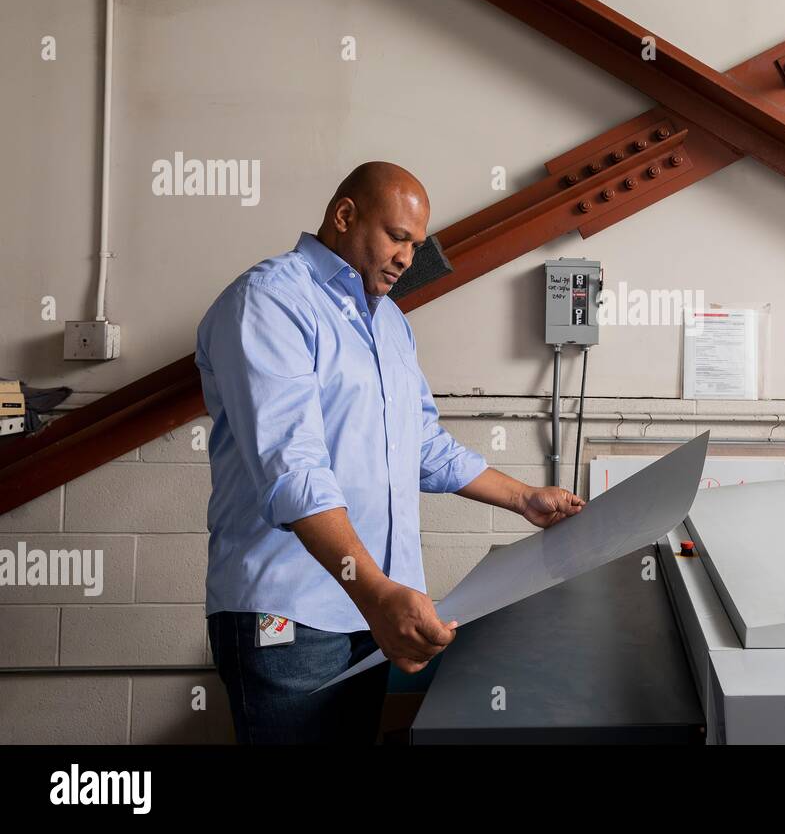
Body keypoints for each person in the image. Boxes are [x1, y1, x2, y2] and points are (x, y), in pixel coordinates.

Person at [195, 161, 584, 744]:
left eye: (416, 244)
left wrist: (524, 498)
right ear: (344, 215)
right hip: (291, 618)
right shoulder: (271, 301)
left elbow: (423, 446)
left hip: (369, 614)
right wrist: (377, 593)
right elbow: (292, 468)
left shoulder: (391, 324)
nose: (406, 257)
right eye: (397, 237)